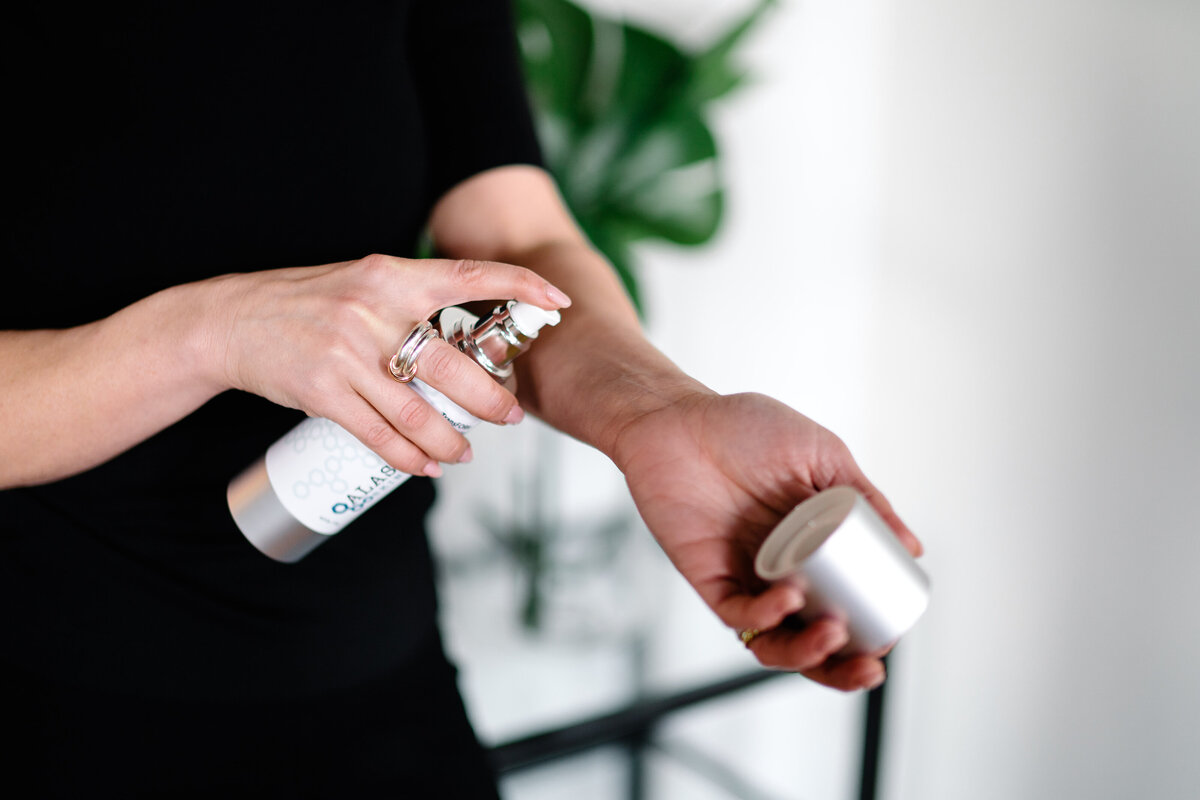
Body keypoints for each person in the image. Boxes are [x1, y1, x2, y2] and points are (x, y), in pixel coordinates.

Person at [0, 1, 922, 796]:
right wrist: (208, 333)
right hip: (46, 698)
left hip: (381, 696)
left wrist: (654, 414)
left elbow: (520, 237)